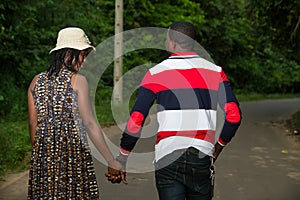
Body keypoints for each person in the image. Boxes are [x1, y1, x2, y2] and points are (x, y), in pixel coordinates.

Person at [112, 21, 242, 200]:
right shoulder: (215, 71)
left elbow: (136, 119)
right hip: (201, 154)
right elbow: (234, 116)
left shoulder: (155, 73)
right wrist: (217, 148)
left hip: (168, 155)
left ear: (172, 42)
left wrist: (122, 158)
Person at [27, 27, 126, 200]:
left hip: (42, 162)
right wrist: (111, 160)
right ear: (69, 53)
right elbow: (89, 123)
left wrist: (44, 156)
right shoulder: (78, 81)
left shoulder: (36, 81)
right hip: (72, 158)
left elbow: (33, 125)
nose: (85, 60)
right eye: (82, 54)